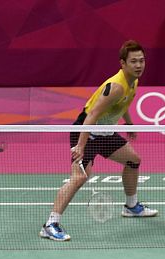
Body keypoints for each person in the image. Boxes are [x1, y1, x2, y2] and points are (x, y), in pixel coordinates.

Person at [40, 40, 157, 242]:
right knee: (79, 178)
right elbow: (92, 115)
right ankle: (50, 224)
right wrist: (81, 146)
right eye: (134, 61)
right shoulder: (116, 86)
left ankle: (131, 207)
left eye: (141, 61)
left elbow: (123, 105)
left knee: (133, 160)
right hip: (85, 131)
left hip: (105, 133)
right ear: (123, 63)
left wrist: (128, 124)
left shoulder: (133, 82)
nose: (139, 65)